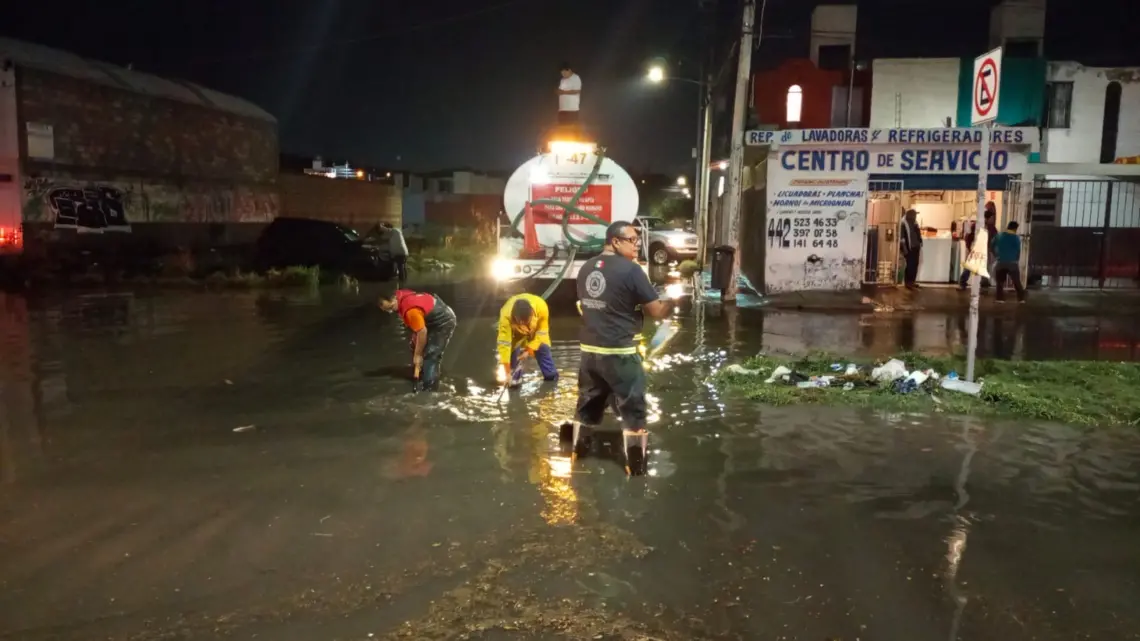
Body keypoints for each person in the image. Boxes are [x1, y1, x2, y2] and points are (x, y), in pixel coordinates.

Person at [574, 221, 673, 437]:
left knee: (587, 407)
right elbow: (656, 311)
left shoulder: (586, 267)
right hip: (620, 353)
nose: (637, 245)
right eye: (632, 240)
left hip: (589, 353)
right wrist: (674, 303)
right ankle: (636, 465)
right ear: (615, 241)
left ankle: (576, 452)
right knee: (633, 411)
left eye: (637, 240)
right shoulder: (632, 270)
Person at [378, 289, 457, 391]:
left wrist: (417, 355)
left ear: (394, 298)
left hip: (443, 321)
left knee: (431, 354)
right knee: (413, 345)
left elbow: (422, 332)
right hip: (428, 319)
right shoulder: (400, 296)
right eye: (388, 310)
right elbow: (418, 327)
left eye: (392, 308)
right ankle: (424, 372)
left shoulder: (410, 310)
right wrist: (417, 348)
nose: (392, 311)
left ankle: (430, 389)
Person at [497, 293, 558, 385]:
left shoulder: (541, 307)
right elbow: (504, 344)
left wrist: (528, 351)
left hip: (535, 332)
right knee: (513, 380)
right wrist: (507, 372)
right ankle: (515, 379)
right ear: (514, 317)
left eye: (525, 321)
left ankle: (551, 377)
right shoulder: (506, 316)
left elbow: (542, 334)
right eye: (520, 321)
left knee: (550, 372)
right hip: (516, 335)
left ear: (531, 314)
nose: (523, 324)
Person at [958, 206, 997, 291]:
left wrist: (969, 247)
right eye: (991, 217)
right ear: (988, 218)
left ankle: (982, 284)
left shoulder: (982, 226)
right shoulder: (989, 227)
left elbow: (969, 237)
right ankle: (980, 284)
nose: (992, 219)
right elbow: (994, 239)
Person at [992, 221, 1027, 303]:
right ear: (1015, 228)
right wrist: (1016, 260)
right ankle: (1021, 299)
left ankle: (999, 298)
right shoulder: (1016, 238)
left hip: (1000, 262)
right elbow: (1018, 251)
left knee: (1000, 282)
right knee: (1016, 281)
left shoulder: (999, 235)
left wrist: (996, 255)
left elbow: (992, 245)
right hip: (1012, 263)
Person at [899, 208, 923, 289]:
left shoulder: (915, 222)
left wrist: (920, 242)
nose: (915, 216)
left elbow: (918, 233)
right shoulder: (903, 223)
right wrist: (904, 249)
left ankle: (912, 281)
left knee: (915, 265)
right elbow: (902, 238)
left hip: (916, 247)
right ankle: (908, 282)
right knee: (910, 265)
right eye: (914, 214)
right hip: (909, 248)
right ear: (910, 215)